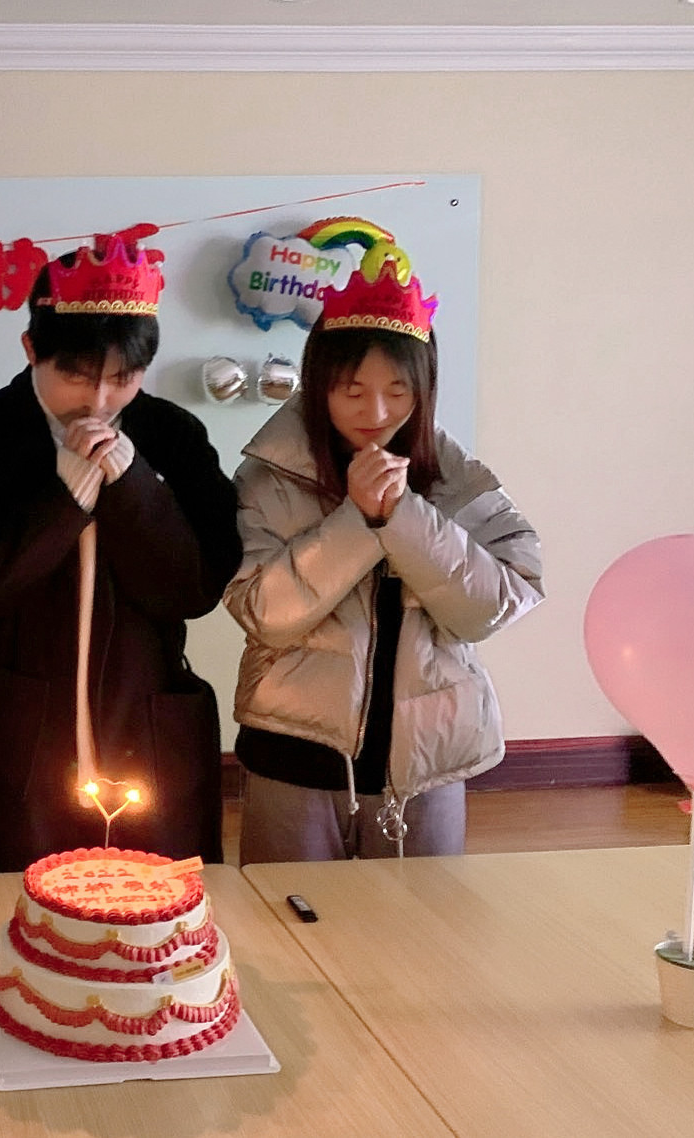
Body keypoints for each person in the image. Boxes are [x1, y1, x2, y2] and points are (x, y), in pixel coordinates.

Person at [0, 225, 241, 873]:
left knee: (148, 901)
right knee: (7, 898)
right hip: (17, 722)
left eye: (122, 378)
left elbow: (194, 588)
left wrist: (132, 486)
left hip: (145, 716)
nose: (98, 401)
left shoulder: (172, 434)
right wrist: (64, 496)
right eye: (74, 375)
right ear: (30, 349)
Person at [223, 246, 543, 864]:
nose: (375, 413)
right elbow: (264, 614)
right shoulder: (267, 480)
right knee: (288, 914)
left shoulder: (457, 480)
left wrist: (403, 517)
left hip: (429, 759)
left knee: (416, 921)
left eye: (399, 391)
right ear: (319, 385)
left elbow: (493, 605)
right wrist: (358, 520)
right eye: (352, 391)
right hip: (294, 751)